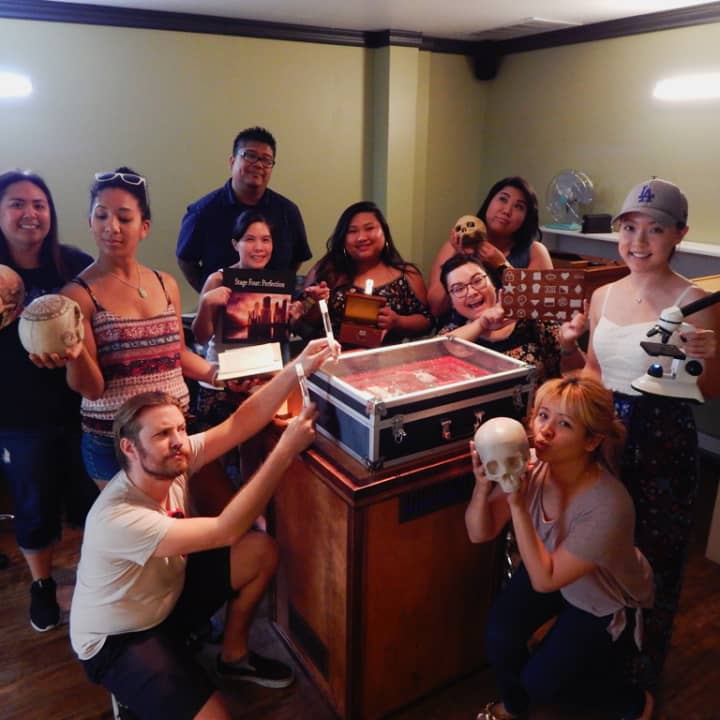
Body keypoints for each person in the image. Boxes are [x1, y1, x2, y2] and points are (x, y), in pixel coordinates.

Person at [69, 338, 333, 720]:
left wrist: (299, 367)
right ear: (129, 448)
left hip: (164, 598)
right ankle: (133, 692)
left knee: (259, 551)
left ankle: (233, 657)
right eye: (162, 434)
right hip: (120, 637)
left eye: (180, 428)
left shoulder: (171, 459)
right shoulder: (119, 516)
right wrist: (284, 450)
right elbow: (226, 529)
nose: (178, 442)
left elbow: (240, 422)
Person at [579, 178, 720, 689]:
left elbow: (709, 392)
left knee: (654, 557)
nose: (638, 242)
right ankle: (597, 656)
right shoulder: (601, 295)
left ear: (679, 233)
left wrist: (707, 358)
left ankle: (641, 676)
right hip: (604, 437)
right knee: (600, 550)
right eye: (629, 228)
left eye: (655, 229)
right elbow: (593, 369)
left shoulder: (696, 300)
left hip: (663, 441)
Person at [466, 375, 654, 720]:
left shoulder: (608, 505)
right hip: (549, 564)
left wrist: (517, 505)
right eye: (543, 415)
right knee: (499, 636)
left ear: (592, 440)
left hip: (601, 592)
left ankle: (631, 701)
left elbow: (545, 581)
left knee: (543, 685)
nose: (545, 431)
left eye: (564, 423)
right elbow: (480, 532)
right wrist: (482, 487)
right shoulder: (531, 465)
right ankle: (516, 705)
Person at [31, 168, 220, 490]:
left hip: (173, 435)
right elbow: (91, 389)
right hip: (115, 444)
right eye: (101, 216)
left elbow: (176, 354)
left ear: (144, 226)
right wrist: (76, 355)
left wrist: (218, 375)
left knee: (176, 517)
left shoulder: (166, 283)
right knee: (136, 524)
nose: (112, 227)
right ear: (90, 222)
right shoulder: (77, 295)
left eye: (124, 217)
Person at [0, 169, 98, 632]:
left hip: (79, 407)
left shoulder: (72, 265)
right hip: (18, 414)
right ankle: (41, 585)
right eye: (17, 204)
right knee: (34, 503)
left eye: (39, 204)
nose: (30, 213)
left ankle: (90, 576)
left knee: (88, 500)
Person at [176, 126, 312, 292]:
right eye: (250, 156)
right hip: (221, 306)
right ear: (232, 161)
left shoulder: (288, 212)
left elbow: (297, 259)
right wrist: (209, 293)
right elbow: (186, 261)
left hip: (274, 304)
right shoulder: (202, 212)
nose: (258, 164)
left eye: (266, 160)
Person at [300, 200, 433, 348]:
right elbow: (303, 322)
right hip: (335, 356)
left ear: (384, 232)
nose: (361, 237)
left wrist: (398, 321)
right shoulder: (327, 270)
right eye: (352, 231)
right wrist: (316, 302)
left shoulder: (407, 274)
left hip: (389, 357)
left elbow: (427, 321)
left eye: (369, 228)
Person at [438, 253, 585, 382]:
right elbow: (439, 352)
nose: (471, 292)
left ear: (493, 284)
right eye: (458, 289)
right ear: (452, 302)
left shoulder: (532, 318)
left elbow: (578, 374)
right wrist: (482, 323)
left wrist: (568, 344)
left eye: (477, 281)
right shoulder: (451, 333)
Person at [428, 176, 553, 320]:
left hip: (513, 331)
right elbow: (436, 309)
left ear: (526, 217)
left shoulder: (535, 252)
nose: (507, 210)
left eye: (519, 207)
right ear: (489, 202)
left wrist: (503, 267)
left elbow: (541, 311)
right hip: (461, 329)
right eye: (503, 199)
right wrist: (460, 260)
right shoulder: (454, 246)